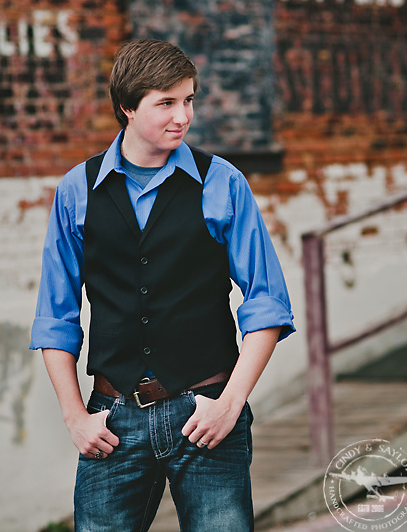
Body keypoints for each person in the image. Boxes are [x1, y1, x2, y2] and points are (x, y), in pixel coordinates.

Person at [30, 38, 295, 532]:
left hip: (206, 415)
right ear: (127, 107)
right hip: (112, 422)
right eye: (166, 103)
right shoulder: (76, 191)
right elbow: (55, 317)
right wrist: (74, 416)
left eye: (189, 100)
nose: (184, 116)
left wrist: (231, 405)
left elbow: (267, 303)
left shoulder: (223, 182)